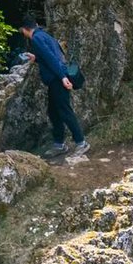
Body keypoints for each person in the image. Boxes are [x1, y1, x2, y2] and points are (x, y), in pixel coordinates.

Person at [19, 14, 90, 157]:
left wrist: (63, 77)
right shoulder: (44, 35)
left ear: (25, 29)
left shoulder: (36, 39)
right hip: (56, 78)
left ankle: (81, 143)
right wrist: (36, 58)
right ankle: (59, 144)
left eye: (22, 31)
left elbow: (52, 59)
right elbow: (52, 55)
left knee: (64, 111)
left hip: (57, 79)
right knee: (53, 111)